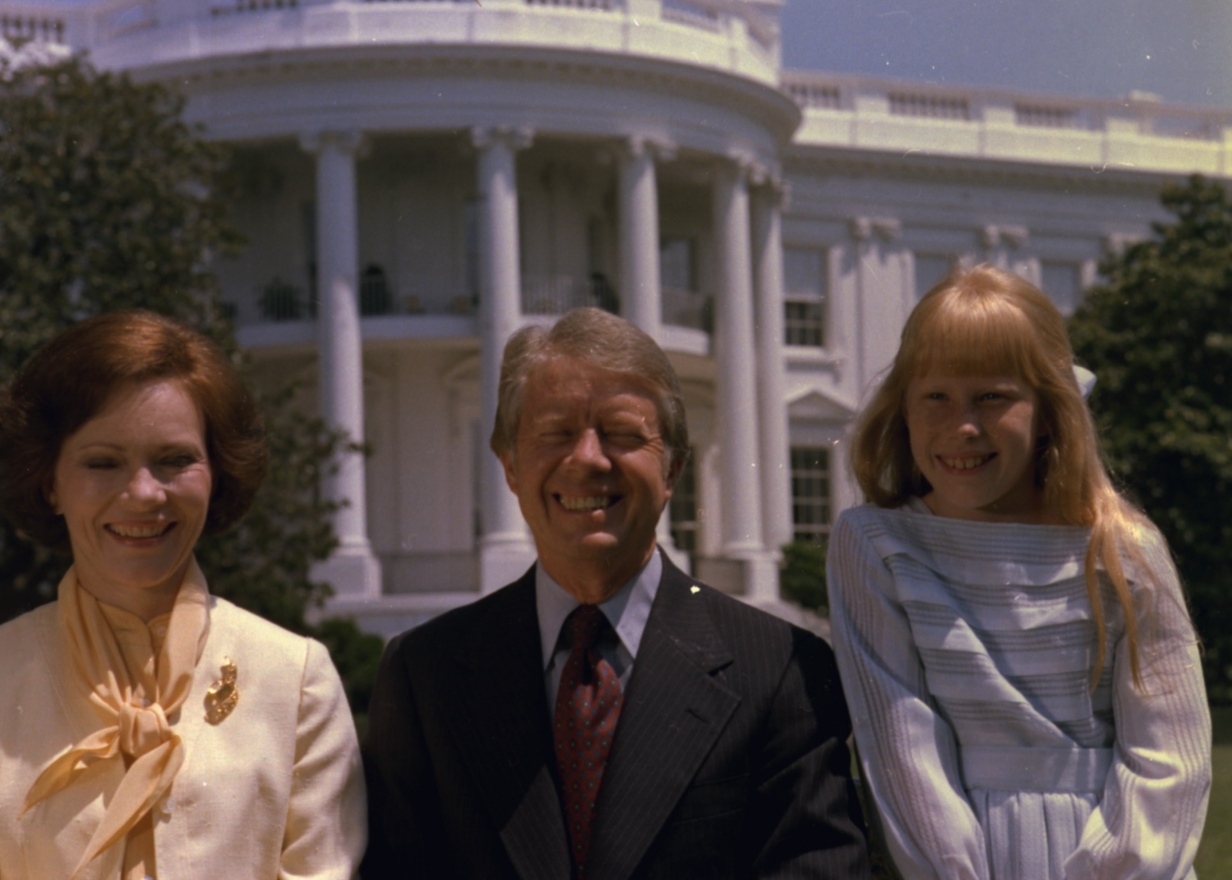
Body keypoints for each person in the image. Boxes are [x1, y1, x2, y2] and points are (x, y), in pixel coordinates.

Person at [363, 307, 869, 879]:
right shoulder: (424, 675)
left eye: (624, 435)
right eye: (555, 433)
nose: (587, 459)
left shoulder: (780, 671)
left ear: (673, 468)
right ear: (508, 464)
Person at [0, 310, 367, 880]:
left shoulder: (298, 681)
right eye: (103, 463)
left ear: (217, 473)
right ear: (49, 483)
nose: (142, 493)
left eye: (174, 460)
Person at [826, 265, 1211, 880]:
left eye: (992, 397)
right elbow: (901, 752)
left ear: (1050, 408)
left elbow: (1170, 757)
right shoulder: (876, 545)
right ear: (902, 409)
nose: (963, 427)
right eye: (936, 397)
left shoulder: (1122, 548)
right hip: (967, 858)